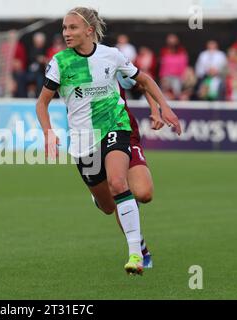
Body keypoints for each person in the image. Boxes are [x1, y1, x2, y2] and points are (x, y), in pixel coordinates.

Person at [36, 6, 181, 275]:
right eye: (64, 28)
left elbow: (143, 80)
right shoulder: (60, 63)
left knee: (121, 184)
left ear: (89, 30)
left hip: (116, 126)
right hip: (82, 141)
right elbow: (42, 103)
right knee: (107, 205)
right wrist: (48, 131)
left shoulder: (112, 56)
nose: (66, 33)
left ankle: (135, 254)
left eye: (72, 28)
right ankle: (112, 206)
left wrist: (164, 108)